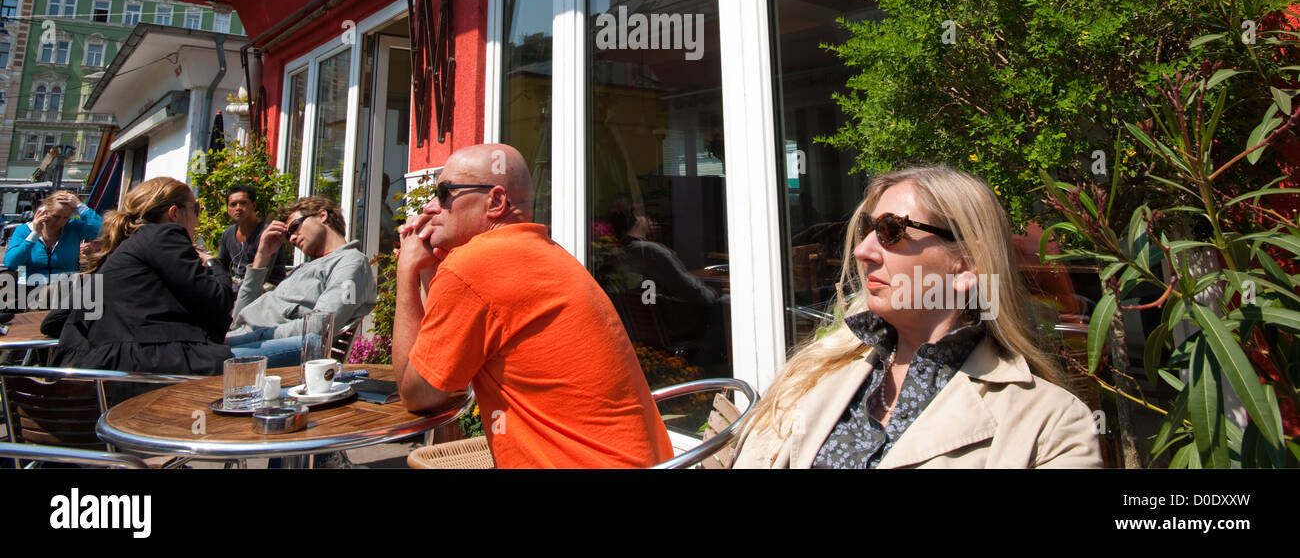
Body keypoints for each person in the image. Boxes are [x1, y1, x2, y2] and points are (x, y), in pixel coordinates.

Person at [732, 166, 1102, 468]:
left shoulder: (1051, 425)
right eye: (867, 230)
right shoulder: (815, 373)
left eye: (890, 231)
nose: (863, 251)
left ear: (966, 263)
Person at [393, 143, 674, 468]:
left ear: (496, 201)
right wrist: (429, 270)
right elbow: (437, 363)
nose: (430, 207)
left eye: (444, 193)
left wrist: (406, 272)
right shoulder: (543, 252)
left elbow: (418, 395)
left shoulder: (474, 267)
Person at [50, 177, 234, 379]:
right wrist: (214, 263)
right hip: (155, 369)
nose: (197, 219)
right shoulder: (163, 235)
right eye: (196, 209)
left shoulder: (122, 248)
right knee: (270, 353)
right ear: (174, 213)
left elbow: (55, 320)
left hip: (105, 369)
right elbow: (219, 300)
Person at [223, 196, 376, 368]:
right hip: (240, 337)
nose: (293, 238)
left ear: (322, 215)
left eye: (295, 227)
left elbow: (322, 325)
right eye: (288, 235)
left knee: (195, 358)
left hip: (262, 344)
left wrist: (256, 335)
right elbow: (239, 317)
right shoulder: (303, 268)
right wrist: (262, 256)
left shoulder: (351, 262)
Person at [3, 190, 103, 281]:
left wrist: (80, 206)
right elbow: (11, 263)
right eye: (55, 216)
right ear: (43, 211)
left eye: (66, 217)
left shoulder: (73, 227)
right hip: (30, 289)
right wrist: (34, 234)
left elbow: (102, 230)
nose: (60, 222)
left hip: (66, 289)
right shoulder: (23, 231)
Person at [215, 183, 286, 285]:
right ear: (228, 209)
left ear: (254, 205)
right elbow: (221, 266)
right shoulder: (228, 234)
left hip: (267, 287)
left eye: (243, 203)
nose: (238, 208)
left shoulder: (268, 233)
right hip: (238, 287)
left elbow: (263, 274)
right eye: (233, 204)